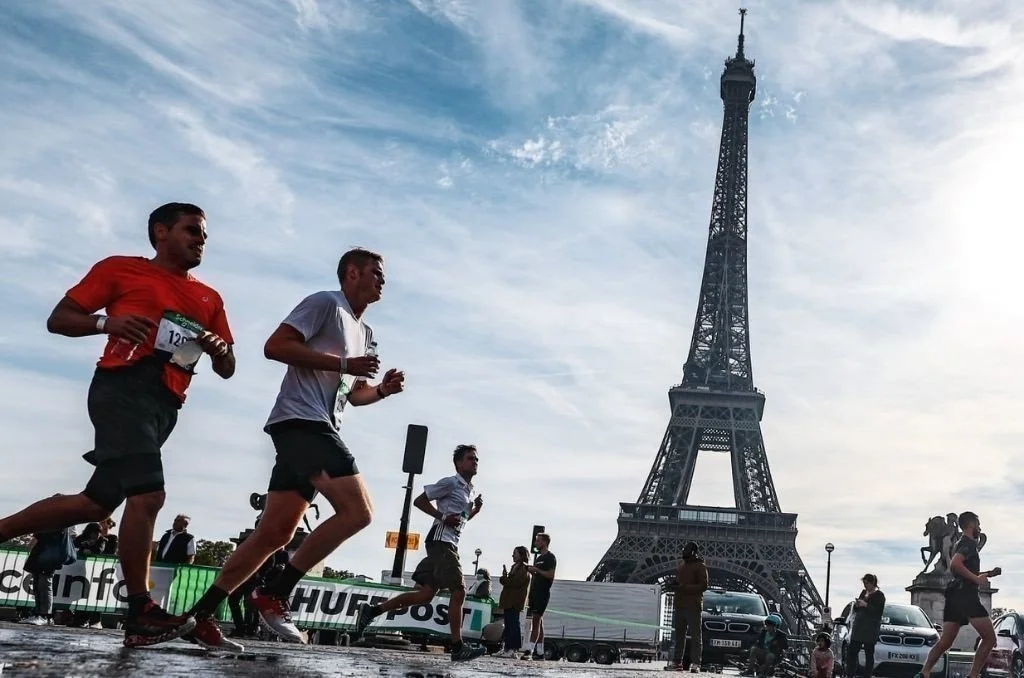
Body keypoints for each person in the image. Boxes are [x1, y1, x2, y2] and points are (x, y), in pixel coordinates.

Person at [0, 202, 235, 647]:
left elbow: (228, 366)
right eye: (192, 230)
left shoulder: (210, 298)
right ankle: (140, 612)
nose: (201, 239)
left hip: (167, 403)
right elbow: (59, 319)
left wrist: (220, 349)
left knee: (95, 504)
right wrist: (108, 322)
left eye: (204, 234)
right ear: (160, 232)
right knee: (149, 495)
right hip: (122, 387)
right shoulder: (120, 270)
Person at [180, 247, 404, 652]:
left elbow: (353, 396)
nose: (382, 280)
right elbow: (275, 346)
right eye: (376, 272)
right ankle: (274, 593)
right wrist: (343, 365)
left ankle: (200, 616)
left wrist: (382, 391)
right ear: (351, 273)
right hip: (302, 422)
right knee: (358, 512)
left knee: (275, 533)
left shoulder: (366, 334)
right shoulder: (325, 303)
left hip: (317, 423)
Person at [355, 444, 487, 662]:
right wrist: (442, 516)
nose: (475, 462)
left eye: (476, 459)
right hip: (439, 542)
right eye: (471, 458)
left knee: (425, 596)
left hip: (449, 543)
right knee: (459, 591)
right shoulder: (450, 483)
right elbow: (419, 501)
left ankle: (372, 611)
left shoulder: (469, 490)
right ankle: (457, 647)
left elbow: (459, 521)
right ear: (458, 463)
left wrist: (474, 511)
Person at [916, 511, 999, 678]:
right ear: (970, 525)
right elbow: (955, 565)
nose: (980, 527)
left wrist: (988, 574)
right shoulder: (968, 544)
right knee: (989, 638)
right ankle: (973, 675)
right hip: (966, 596)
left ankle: (923, 673)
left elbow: (963, 570)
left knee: (945, 641)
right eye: (977, 523)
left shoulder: (960, 543)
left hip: (954, 596)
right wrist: (976, 578)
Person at [669, 541, 709, 671]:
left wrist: (682, 587)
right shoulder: (682, 565)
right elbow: (681, 582)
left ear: (693, 551)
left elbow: (704, 586)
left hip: (693, 605)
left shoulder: (700, 566)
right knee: (679, 636)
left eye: (686, 549)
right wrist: (675, 584)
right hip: (680, 604)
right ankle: (677, 661)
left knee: (696, 636)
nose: (683, 551)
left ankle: (696, 663)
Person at [494, 546, 530, 658]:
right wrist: (506, 577)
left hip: (515, 601)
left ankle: (513, 649)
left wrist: (504, 579)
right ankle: (506, 648)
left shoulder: (524, 568)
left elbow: (515, 582)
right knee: (509, 625)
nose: (513, 555)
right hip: (509, 600)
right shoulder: (515, 567)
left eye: (515, 553)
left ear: (521, 554)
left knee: (514, 625)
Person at [525, 532, 556, 660]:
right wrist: (532, 571)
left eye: (538, 541)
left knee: (536, 621)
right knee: (539, 621)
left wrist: (537, 570)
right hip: (535, 591)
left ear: (544, 542)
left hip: (543, 592)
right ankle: (540, 651)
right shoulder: (538, 558)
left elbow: (550, 575)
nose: (535, 543)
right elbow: (539, 575)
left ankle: (529, 650)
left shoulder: (550, 557)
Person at [846, 574, 884, 678]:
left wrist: (865, 605)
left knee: (869, 654)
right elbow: (857, 609)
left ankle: (867, 676)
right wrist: (858, 605)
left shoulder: (880, 596)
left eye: (866, 583)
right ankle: (850, 674)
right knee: (852, 653)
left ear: (873, 583)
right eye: (864, 583)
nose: (865, 585)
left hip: (870, 629)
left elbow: (878, 612)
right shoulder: (863, 593)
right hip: (859, 628)